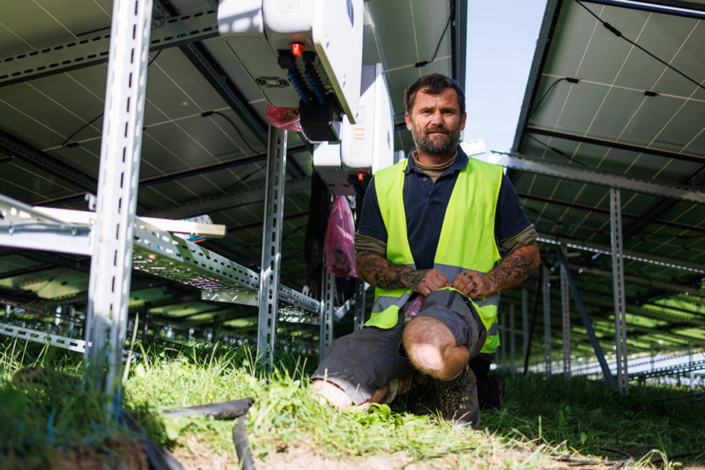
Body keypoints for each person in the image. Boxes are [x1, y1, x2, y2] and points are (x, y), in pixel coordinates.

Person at [311, 73, 540, 429]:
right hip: (394, 316)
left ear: (462, 121)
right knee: (327, 395)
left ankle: (454, 377)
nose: (437, 119)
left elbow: (527, 252)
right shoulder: (383, 183)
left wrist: (489, 280)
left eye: (447, 111)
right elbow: (366, 260)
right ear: (409, 119)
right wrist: (409, 277)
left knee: (426, 344)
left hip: (460, 312)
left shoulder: (493, 181)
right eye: (426, 111)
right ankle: (410, 384)